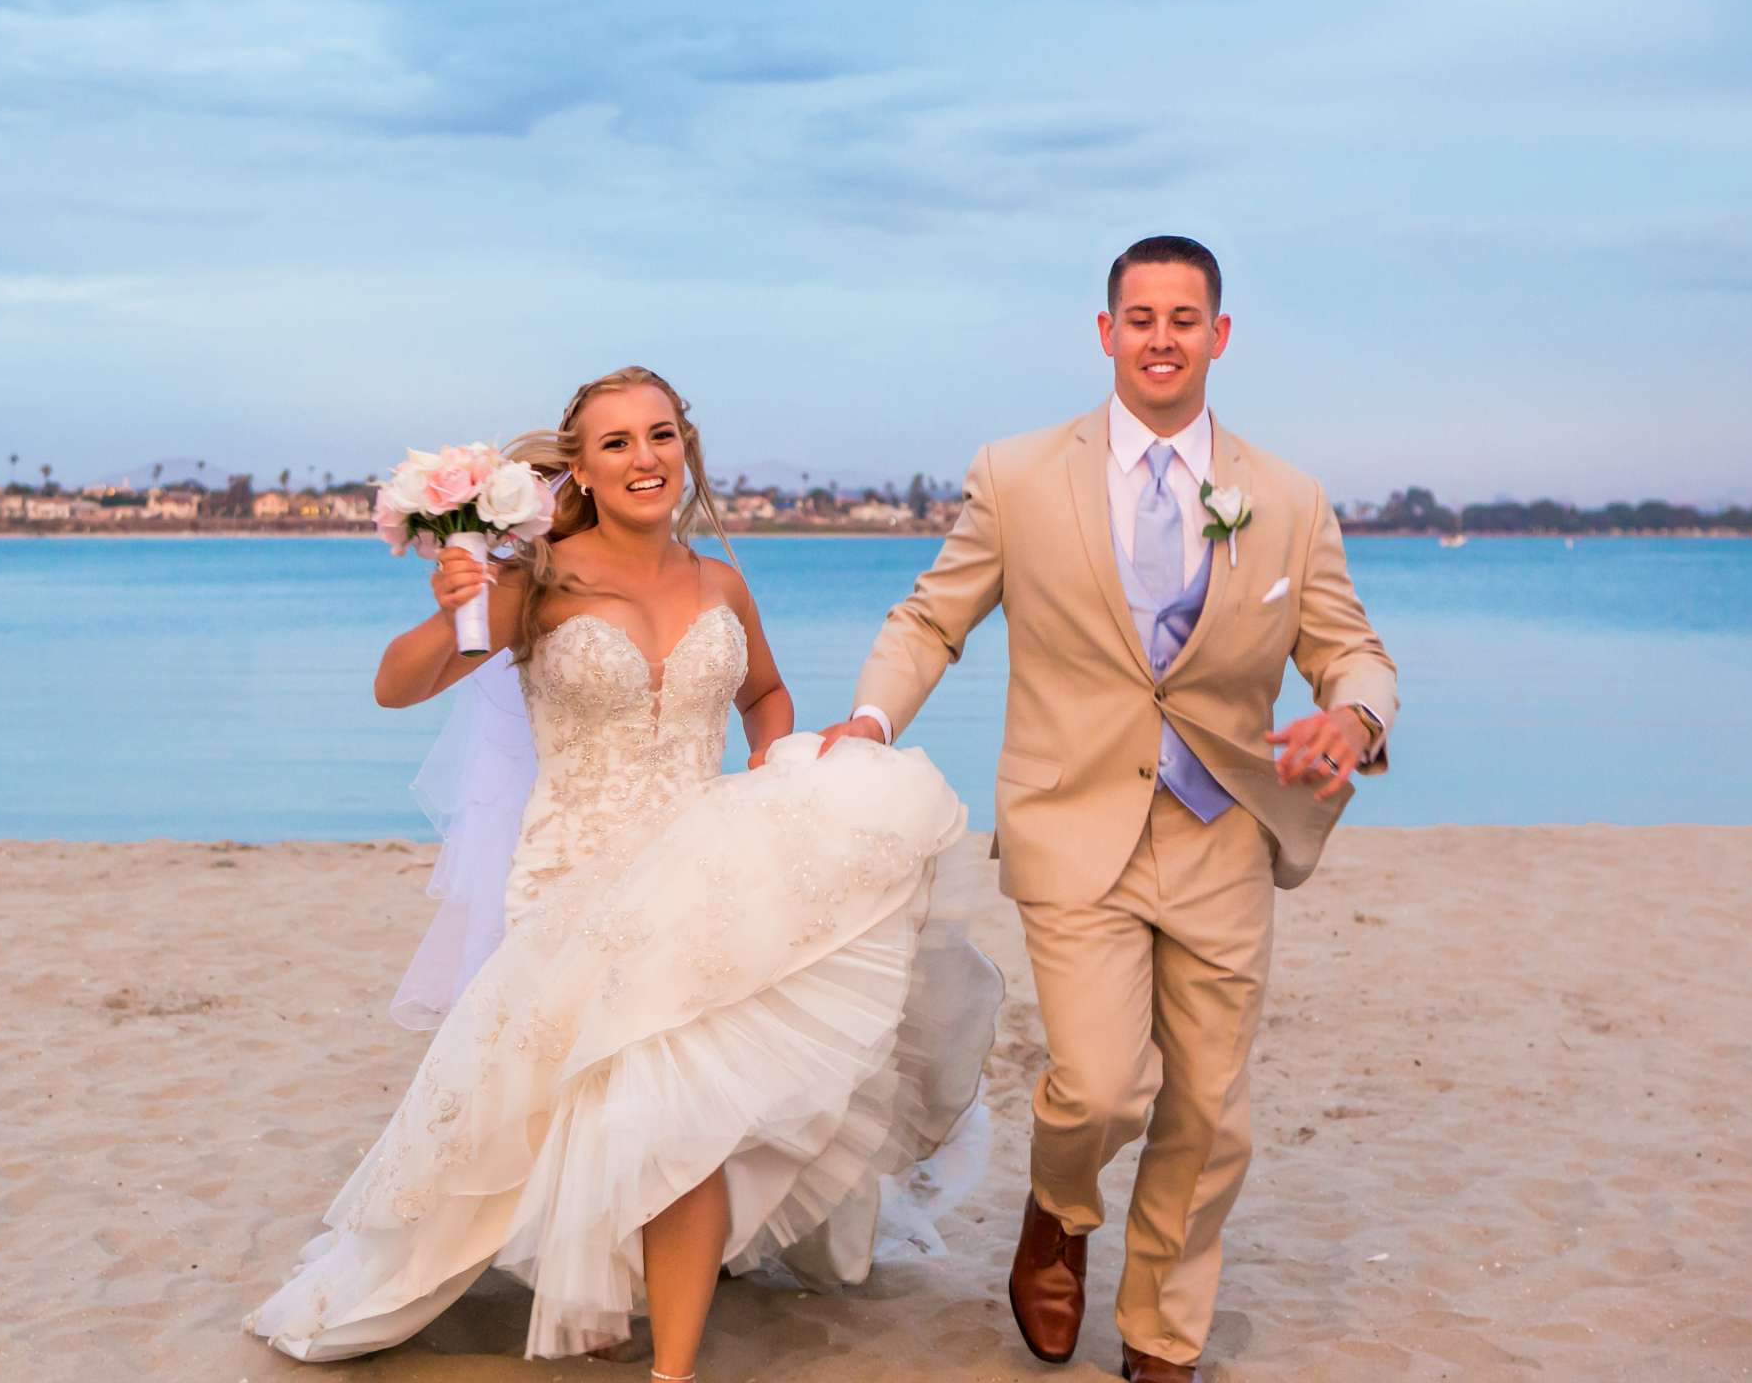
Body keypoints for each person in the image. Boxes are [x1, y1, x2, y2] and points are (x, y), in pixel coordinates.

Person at [246, 365, 1002, 1381]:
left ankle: (671, 1366)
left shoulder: (720, 582)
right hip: (575, 873)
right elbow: (398, 687)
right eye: (616, 444)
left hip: (702, 868)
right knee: (624, 1108)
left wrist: (780, 781)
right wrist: (451, 608)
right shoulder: (539, 580)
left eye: (659, 436)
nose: (644, 458)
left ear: (683, 448)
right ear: (584, 471)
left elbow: (767, 694)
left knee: (678, 1116)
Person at [820, 237, 1400, 1382]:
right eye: (1141, 317)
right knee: (1097, 1082)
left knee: (1212, 1106)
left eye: (1186, 318)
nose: (1163, 338)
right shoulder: (1021, 473)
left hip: (1226, 831)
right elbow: (932, 618)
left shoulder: (1286, 497)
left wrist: (1355, 721)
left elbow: (1353, 651)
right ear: (1105, 333)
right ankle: (1058, 1208)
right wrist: (875, 719)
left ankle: (1161, 1335)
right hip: (1072, 820)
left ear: (1220, 336)